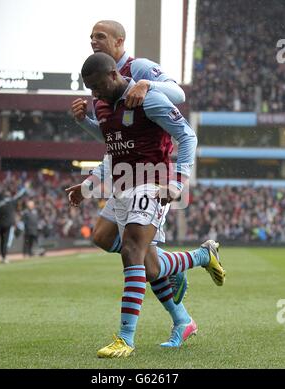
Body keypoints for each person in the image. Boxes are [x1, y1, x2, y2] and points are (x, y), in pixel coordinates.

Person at [67, 52, 226, 358]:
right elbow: (112, 147)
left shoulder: (147, 98)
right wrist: (88, 184)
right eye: (89, 88)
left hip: (152, 182)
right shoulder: (101, 106)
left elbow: (186, 136)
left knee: (131, 251)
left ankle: (125, 338)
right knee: (127, 253)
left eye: (98, 86)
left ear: (114, 75)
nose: (94, 94)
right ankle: (200, 257)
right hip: (122, 184)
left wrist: (178, 183)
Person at [71, 20, 187, 304]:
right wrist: (83, 121)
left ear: (119, 40)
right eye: (91, 37)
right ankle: (171, 265)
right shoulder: (101, 78)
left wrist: (147, 84)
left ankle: (134, 332)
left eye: (100, 36)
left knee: (138, 257)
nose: (93, 41)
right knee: (114, 243)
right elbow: (113, 136)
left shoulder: (139, 68)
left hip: (153, 173)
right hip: (124, 172)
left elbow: (179, 95)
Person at [0, 186, 27, 263]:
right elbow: (18, 196)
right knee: (6, 241)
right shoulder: (11, 202)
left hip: (0, 225)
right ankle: (5, 257)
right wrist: (24, 188)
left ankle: (3, 256)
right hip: (8, 224)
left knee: (2, 241)